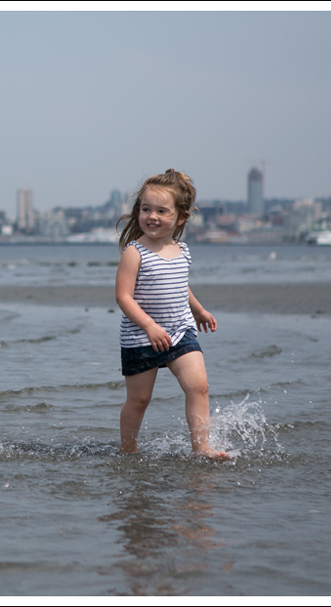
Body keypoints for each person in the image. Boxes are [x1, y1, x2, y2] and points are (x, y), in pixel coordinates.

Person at [114, 169, 230, 460]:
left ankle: (201, 448)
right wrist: (149, 326)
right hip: (141, 337)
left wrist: (198, 310)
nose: (152, 216)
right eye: (146, 209)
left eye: (161, 211)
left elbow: (179, 285)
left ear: (181, 217)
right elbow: (123, 297)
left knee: (199, 387)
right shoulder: (135, 252)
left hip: (180, 331)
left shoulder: (182, 250)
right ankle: (127, 449)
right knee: (139, 400)